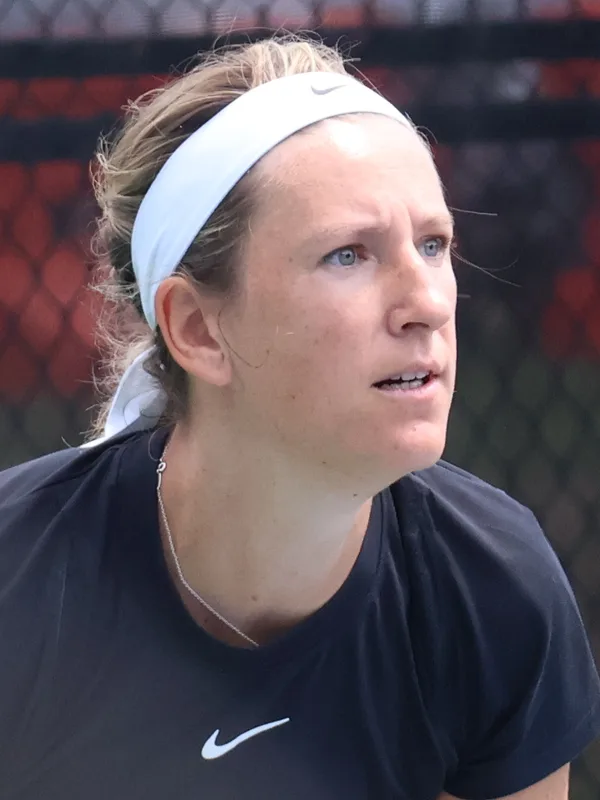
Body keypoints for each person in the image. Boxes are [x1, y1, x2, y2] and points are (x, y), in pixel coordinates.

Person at [0, 35, 598, 800]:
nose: (426, 302)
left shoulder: (492, 591)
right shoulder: (21, 580)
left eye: (433, 244)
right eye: (348, 254)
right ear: (197, 329)